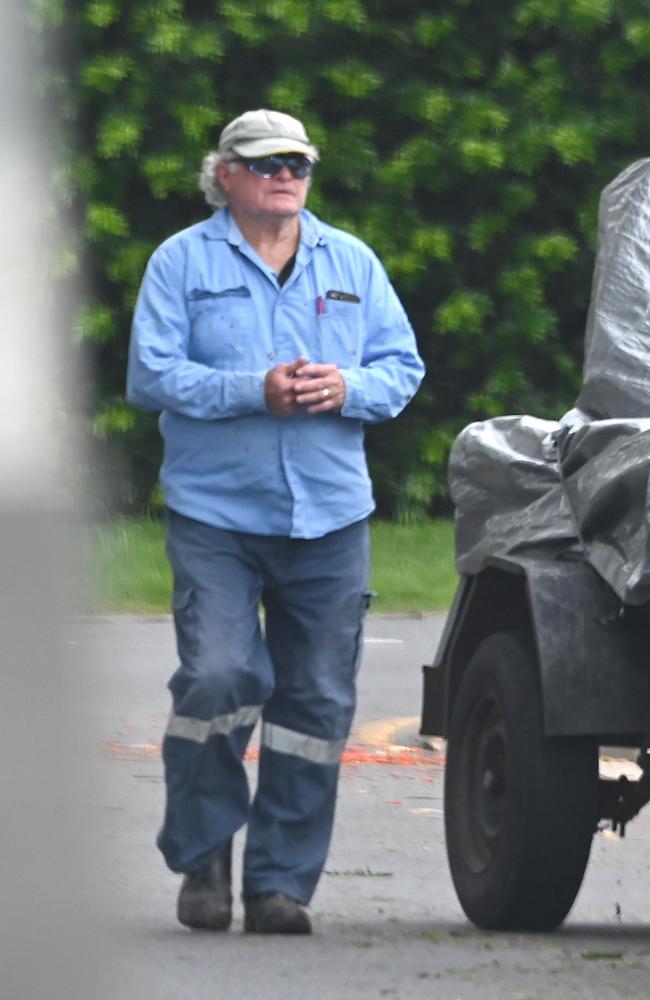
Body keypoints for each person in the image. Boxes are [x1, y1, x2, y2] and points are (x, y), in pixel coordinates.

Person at [126, 108, 425, 934]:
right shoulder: (181, 262)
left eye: (297, 162)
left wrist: (349, 390)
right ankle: (204, 858)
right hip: (216, 514)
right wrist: (250, 390)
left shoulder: (351, 261)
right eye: (265, 164)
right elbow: (151, 375)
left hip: (330, 515)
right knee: (220, 678)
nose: (285, 175)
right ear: (225, 174)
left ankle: (279, 886)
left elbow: (402, 367)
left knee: (318, 703)